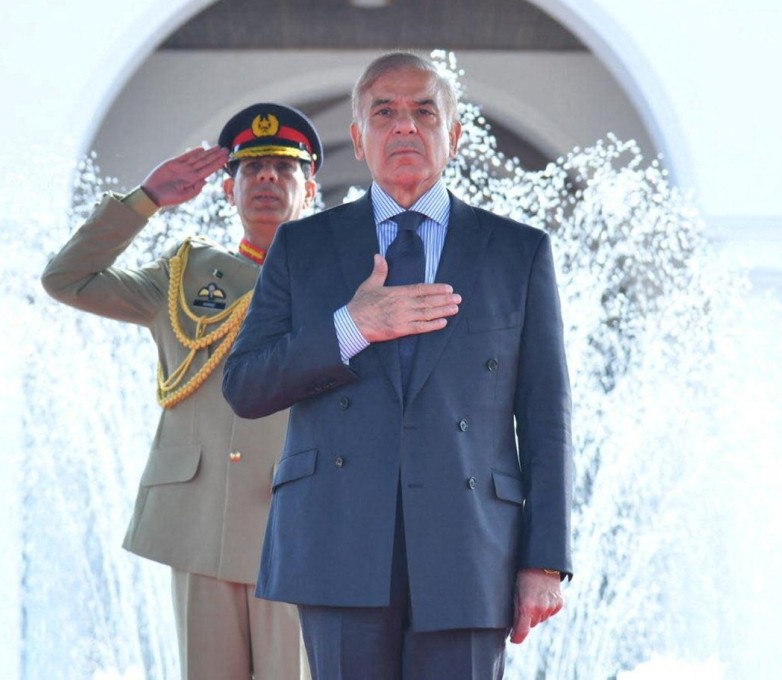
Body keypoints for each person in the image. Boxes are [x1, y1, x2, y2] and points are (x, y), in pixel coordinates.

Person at [222, 53, 573, 680]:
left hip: (471, 546)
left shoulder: (517, 251)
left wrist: (544, 562)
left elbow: (547, 418)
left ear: (454, 135)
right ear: (359, 138)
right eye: (384, 112)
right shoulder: (302, 247)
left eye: (423, 112)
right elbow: (245, 385)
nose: (404, 126)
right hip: (336, 540)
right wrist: (351, 327)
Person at [41, 102, 321, 680]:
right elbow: (67, 279)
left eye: (283, 168)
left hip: (297, 526)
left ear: (310, 188)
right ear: (227, 189)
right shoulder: (185, 274)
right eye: (251, 168)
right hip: (201, 524)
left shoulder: (342, 281)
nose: (266, 178)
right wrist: (146, 199)